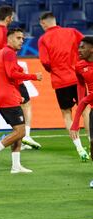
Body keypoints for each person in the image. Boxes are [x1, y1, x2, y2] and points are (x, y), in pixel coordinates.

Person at [0, 28, 42, 173]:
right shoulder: (8, 53)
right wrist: (33, 76)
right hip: (7, 97)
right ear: (9, 39)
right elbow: (12, 73)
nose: (22, 40)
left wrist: (17, 95)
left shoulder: (1, 53)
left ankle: (16, 166)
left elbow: (6, 76)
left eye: (22, 38)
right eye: (18, 38)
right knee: (20, 132)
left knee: (18, 130)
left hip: (7, 95)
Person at [0, 5, 41, 150]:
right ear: (9, 18)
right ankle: (25, 135)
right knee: (26, 103)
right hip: (8, 79)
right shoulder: (6, 33)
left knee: (19, 107)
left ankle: (19, 139)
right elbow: (8, 54)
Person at [38, 12, 89, 161]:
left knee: (67, 114)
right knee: (86, 110)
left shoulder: (43, 39)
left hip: (60, 81)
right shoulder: (72, 32)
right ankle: (91, 142)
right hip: (78, 77)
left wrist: (54, 70)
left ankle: (79, 148)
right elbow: (86, 45)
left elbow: (45, 62)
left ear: (43, 23)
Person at [70, 37, 93, 185]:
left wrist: (84, 102)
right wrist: (81, 100)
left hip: (89, 102)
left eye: (82, 47)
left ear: (91, 49)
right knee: (92, 145)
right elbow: (80, 83)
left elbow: (87, 99)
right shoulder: (79, 66)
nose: (79, 50)